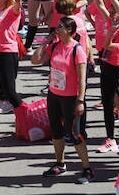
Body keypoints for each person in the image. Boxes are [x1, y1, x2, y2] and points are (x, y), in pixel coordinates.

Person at [33, 15, 93, 184]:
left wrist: (80, 101)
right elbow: (36, 60)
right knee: (56, 132)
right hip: (54, 95)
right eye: (57, 26)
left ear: (69, 31)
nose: (56, 29)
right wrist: (45, 42)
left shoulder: (77, 50)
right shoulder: (55, 46)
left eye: (60, 27)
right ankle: (60, 163)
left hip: (71, 98)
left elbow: (82, 79)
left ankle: (87, 169)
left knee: (76, 134)